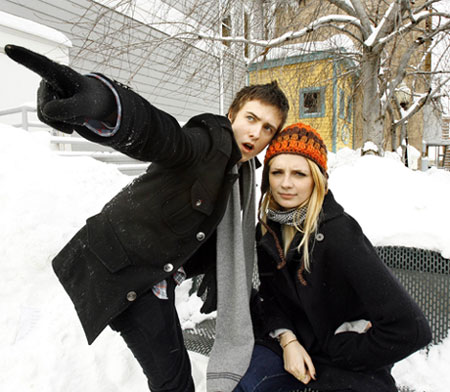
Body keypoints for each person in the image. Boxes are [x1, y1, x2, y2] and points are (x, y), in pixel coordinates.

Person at [4, 44, 290, 392]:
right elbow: (163, 136)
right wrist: (107, 105)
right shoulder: (208, 143)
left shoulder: (238, 176)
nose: (256, 133)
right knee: (174, 382)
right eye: (250, 119)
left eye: (267, 128)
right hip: (122, 271)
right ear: (232, 114)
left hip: (157, 274)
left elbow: (212, 235)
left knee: (175, 374)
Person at [235, 123, 432, 392]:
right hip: (290, 346)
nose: (286, 183)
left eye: (299, 174)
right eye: (277, 172)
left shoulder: (339, 233)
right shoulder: (268, 230)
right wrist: (287, 340)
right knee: (241, 384)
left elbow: (411, 329)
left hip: (341, 361)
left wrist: (340, 349)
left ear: (317, 179)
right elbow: (271, 297)